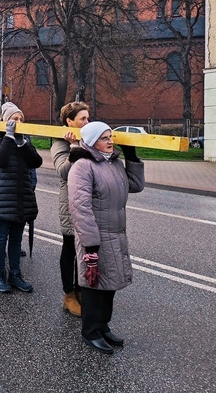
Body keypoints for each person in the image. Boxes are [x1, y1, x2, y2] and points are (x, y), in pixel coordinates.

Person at [68, 121, 144, 354]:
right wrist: (90, 242)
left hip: (115, 234)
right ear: (91, 142)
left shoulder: (112, 163)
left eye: (111, 137)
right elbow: (80, 207)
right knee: (93, 285)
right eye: (104, 138)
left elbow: (136, 185)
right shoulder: (83, 166)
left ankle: (103, 326)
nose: (110, 141)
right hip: (95, 237)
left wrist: (132, 159)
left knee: (109, 284)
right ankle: (90, 331)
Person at [0, 101, 43, 293]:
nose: (18, 122)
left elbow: (36, 162)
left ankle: (15, 274)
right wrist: (9, 138)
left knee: (16, 239)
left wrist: (23, 144)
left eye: (21, 118)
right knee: (1, 238)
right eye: (14, 119)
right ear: (5, 121)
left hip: (22, 196)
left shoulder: (24, 139)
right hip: (3, 196)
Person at [50, 101, 90, 317]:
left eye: (88, 118)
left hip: (87, 202)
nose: (86, 122)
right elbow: (64, 172)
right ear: (69, 121)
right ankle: (69, 295)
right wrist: (74, 148)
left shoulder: (87, 141)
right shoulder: (60, 144)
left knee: (85, 250)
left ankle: (82, 290)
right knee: (69, 249)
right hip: (71, 203)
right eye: (82, 118)